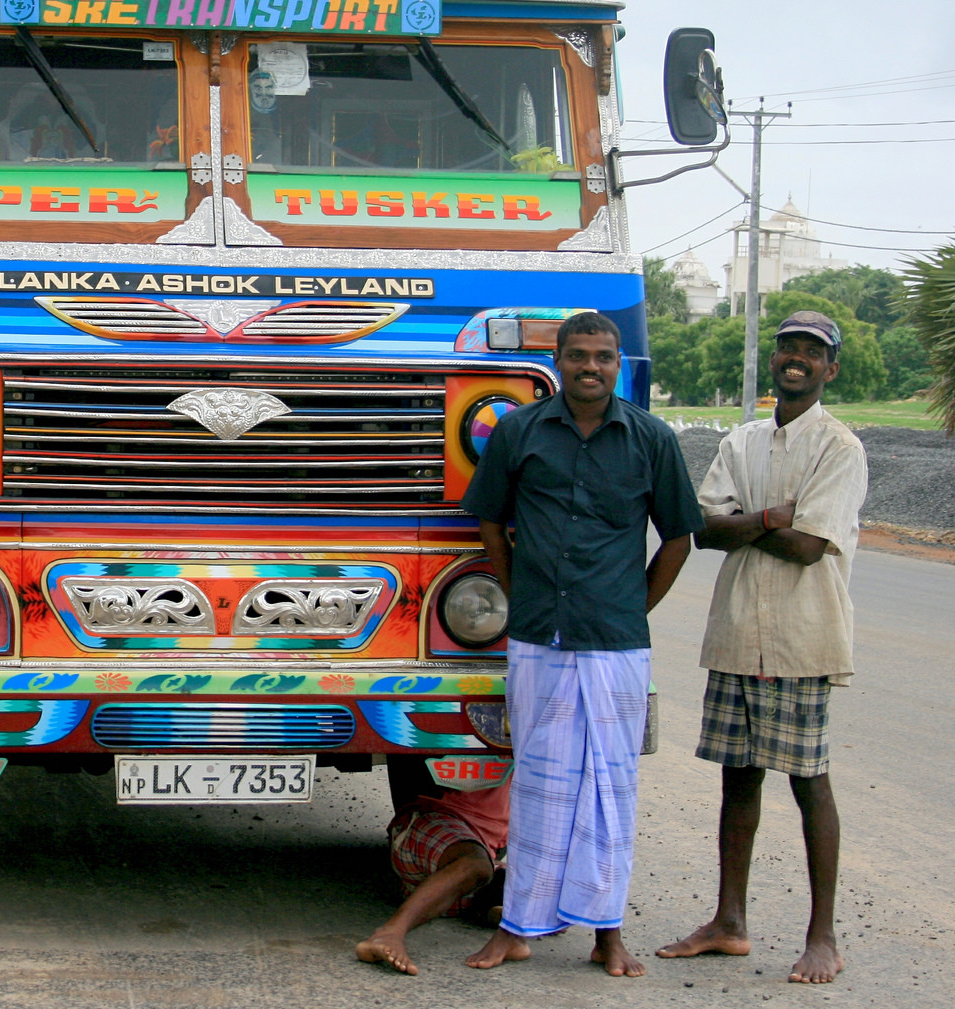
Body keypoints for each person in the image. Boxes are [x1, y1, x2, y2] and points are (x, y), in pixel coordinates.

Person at [460, 311, 703, 976]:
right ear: (559, 361)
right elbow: (489, 520)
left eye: (603, 356)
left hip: (616, 643)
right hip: (539, 635)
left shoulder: (651, 438)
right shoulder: (520, 431)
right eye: (578, 355)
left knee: (610, 787)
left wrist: (634, 605)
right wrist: (520, 593)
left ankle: (607, 932)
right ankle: (517, 927)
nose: (590, 366)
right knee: (538, 782)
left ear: (618, 363)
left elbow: (678, 537)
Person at [656, 310, 866, 985]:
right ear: (773, 360)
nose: (796, 358)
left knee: (809, 782)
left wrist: (746, 523)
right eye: (787, 348)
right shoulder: (743, 439)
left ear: (831, 368)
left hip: (802, 638)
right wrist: (775, 515)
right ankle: (730, 921)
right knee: (738, 779)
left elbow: (808, 548)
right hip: (739, 632)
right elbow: (703, 529)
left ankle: (823, 936)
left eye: (811, 351)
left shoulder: (839, 447)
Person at [356, 773, 509, 974]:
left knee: (523, 889)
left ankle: (495, 913)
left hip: (470, 856)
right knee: (476, 865)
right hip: (429, 824)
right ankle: (388, 933)